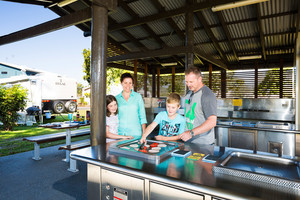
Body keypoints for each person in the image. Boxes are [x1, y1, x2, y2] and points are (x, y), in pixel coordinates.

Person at [179, 66, 217, 145]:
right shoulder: (189, 93)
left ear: (199, 79)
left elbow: (212, 122)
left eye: (191, 82)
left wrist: (191, 133)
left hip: (202, 144)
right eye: (186, 82)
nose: (188, 84)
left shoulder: (207, 95)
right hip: (187, 142)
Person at [116, 73, 147, 137]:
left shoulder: (138, 97)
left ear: (132, 84)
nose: (128, 85)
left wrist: (144, 133)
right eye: (125, 83)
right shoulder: (116, 98)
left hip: (135, 133)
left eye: (130, 83)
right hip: (120, 134)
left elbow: (142, 116)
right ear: (121, 83)